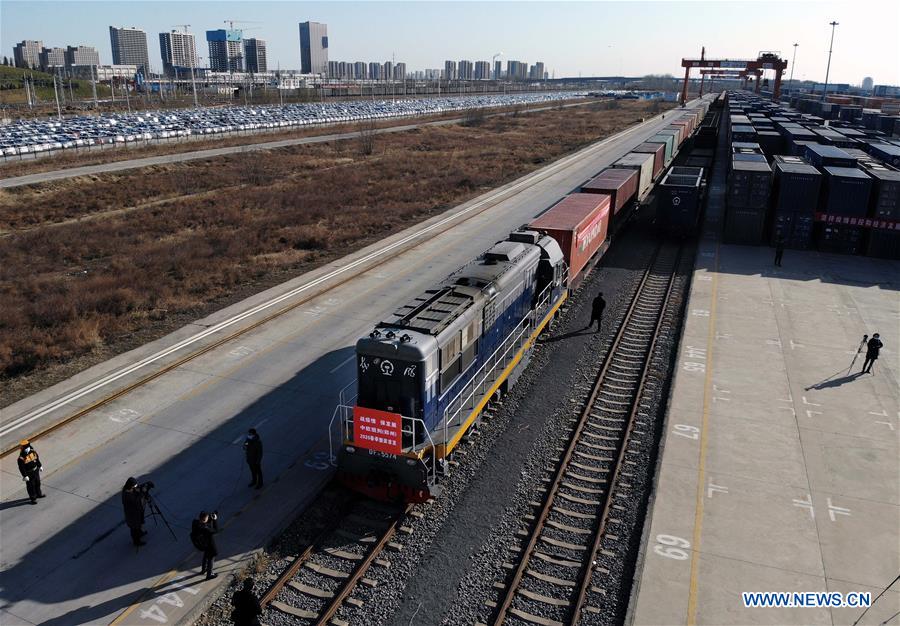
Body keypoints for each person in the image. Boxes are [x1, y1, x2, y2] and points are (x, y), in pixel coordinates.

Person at [191, 511, 219, 579]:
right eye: (207, 517)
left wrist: (210, 519)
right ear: (204, 519)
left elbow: (205, 523)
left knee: (206, 555)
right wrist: (215, 520)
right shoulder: (205, 529)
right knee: (211, 558)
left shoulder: (195, 523)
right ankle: (209, 574)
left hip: (203, 544)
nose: (208, 518)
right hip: (209, 544)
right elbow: (215, 530)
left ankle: (204, 569)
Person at [17, 440, 45, 504]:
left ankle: (39, 494)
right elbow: (21, 468)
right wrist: (25, 476)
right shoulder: (21, 457)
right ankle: (33, 498)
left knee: (37, 483)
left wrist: (40, 466)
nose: (21, 448)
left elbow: (37, 459)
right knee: (31, 486)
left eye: (22, 446)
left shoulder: (33, 451)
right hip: (29, 473)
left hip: (35, 470)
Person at [122, 477, 147, 546]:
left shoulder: (128, 489)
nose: (135, 487)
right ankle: (137, 542)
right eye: (134, 486)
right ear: (130, 485)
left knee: (138, 525)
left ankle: (140, 533)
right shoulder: (126, 495)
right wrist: (142, 493)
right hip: (132, 515)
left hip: (136, 512)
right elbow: (135, 501)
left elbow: (135, 492)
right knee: (134, 528)